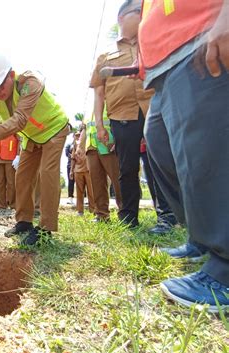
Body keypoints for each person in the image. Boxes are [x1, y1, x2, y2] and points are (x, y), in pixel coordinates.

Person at [139, 0, 229, 310]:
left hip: (201, 41)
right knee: (162, 147)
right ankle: (201, 238)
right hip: (163, 68)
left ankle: (226, 268)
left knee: (207, 156)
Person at [0, 51, 70, 245]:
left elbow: (19, 120)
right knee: (22, 177)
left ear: (11, 75)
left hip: (54, 128)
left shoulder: (30, 82)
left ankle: (46, 229)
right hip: (31, 137)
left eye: (1, 86)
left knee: (47, 173)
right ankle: (24, 221)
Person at [90, 0, 155, 228]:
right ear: (121, 18)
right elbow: (99, 93)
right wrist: (99, 125)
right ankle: (129, 218)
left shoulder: (151, 43)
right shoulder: (106, 55)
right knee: (127, 168)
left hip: (152, 109)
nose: (141, 14)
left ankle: (169, 216)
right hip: (121, 116)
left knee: (159, 163)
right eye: (137, 11)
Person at [77, 116, 122, 222]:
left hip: (108, 144)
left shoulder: (108, 100)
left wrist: (118, 139)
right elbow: (85, 127)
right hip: (91, 147)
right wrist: (80, 146)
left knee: (118, 180)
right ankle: (102, 215)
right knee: (96, 182)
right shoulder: (88, 105)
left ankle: (125, 212)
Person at [0, 133, 20, 210]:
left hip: (10, 158)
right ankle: (2, 206)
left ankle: (13, 205)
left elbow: (19, 141)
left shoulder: (13, 127)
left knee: (11, 182)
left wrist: (18, 155)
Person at [72, 131, 95, 216]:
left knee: (91, 191)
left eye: (79, 135)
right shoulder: (75, 145)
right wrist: (71, 171)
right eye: (77, 136)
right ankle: (80, 211)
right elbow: (73, 158)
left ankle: (93, 210)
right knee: (79, 192)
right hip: (78, 171)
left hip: (88, 170)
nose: (78, 137)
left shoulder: (90, 143)